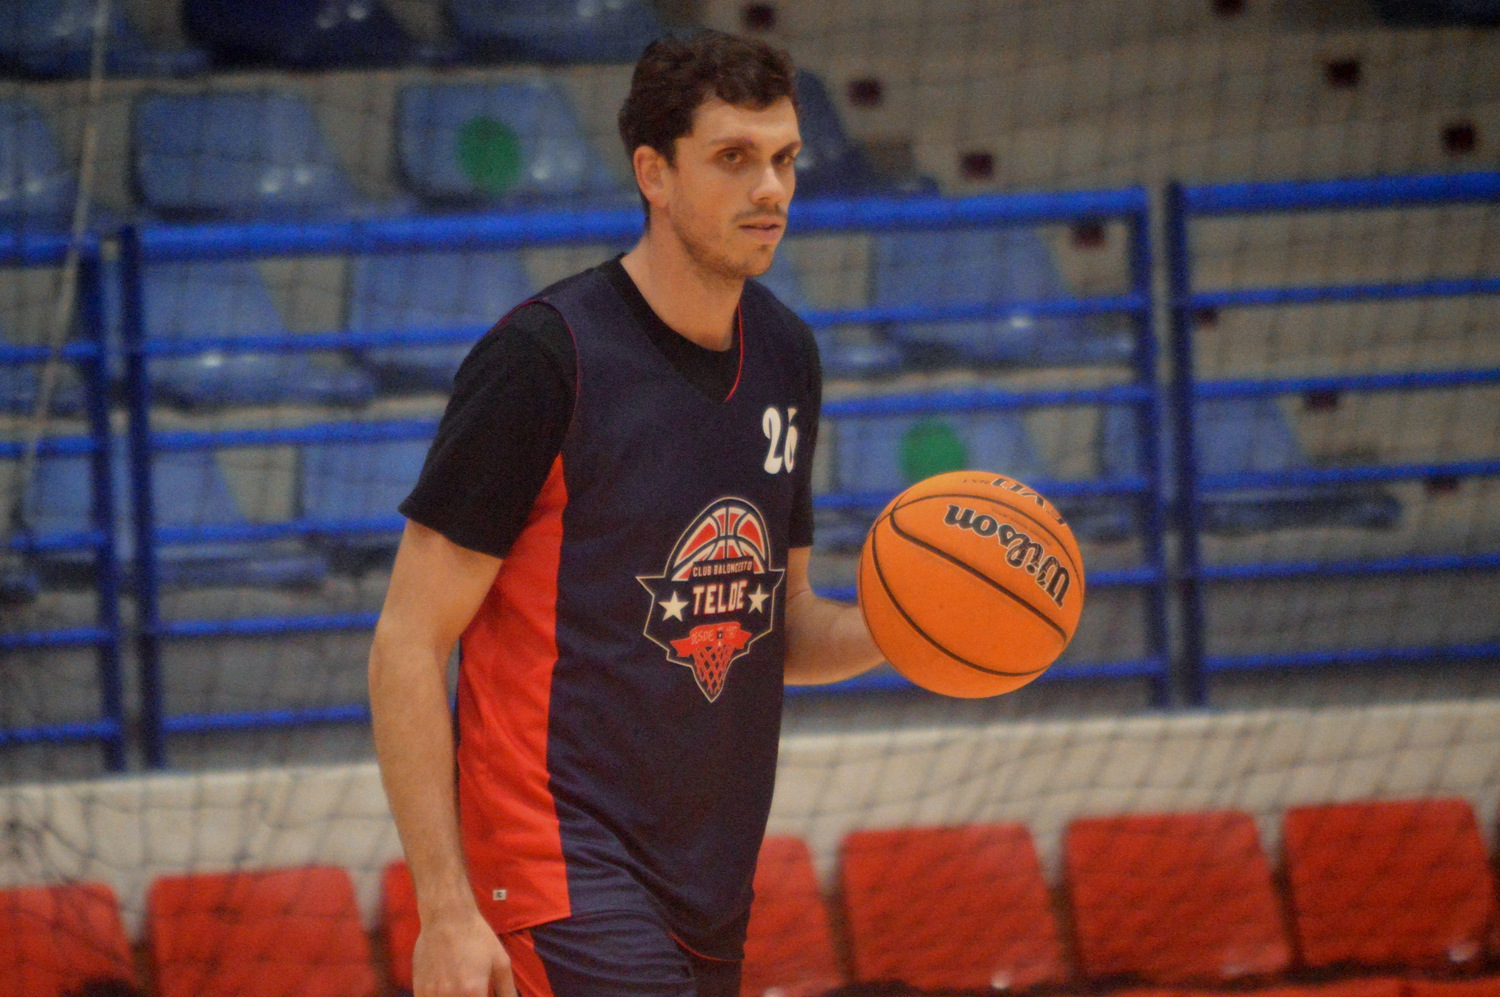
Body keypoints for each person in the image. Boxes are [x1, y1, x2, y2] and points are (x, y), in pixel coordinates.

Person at [368, 29, 883, 997]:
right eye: (733, 159)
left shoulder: (786, 353)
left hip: (709, 866)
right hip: (559, 857)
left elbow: (783, 627)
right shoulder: (543, 357)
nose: (770, 188)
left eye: (783, 159)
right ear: (654, 172)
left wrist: (915, 625)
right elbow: (406, 639)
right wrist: (446, 908)